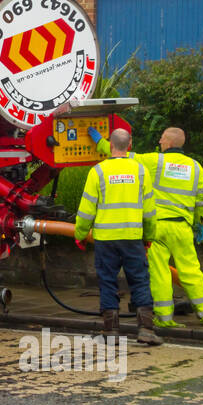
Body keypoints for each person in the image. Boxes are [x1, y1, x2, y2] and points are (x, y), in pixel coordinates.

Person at [75, 128, 162, 345]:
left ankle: (111, 331)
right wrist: (149, 236)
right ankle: (146, 330)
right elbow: (149, 211)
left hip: (105, 238)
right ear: (129, 144)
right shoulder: (141, 171)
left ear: (110, 145)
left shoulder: (98, 171)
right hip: (133, 236)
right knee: (140, 281)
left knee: (107, 281)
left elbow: (86, 210)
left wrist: (80, 234)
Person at [135, 128, 203, 327]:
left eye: (162, 138)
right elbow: (201, 201)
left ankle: (164, 318)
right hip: (182, 228)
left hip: (158, 228)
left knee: (160, 272)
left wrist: (100, 142)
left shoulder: (155, 161)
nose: (159, 140)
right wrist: (201, 224)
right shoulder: (196, 167)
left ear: (170, 143)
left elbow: (125, 156)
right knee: (191, 271)